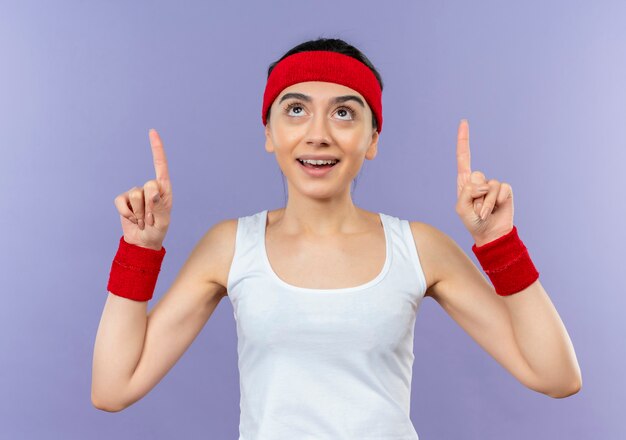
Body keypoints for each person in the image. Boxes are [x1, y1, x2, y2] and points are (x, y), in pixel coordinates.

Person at [91, 37, 582, 439]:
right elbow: (113, 388)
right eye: (296, 109)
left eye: (344, 113)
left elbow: (556, 376)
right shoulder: (230, 246)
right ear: (268, 132)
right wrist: (140, 250)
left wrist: (499, 243)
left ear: (372, 140)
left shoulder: (419, 248)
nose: (319, 134)